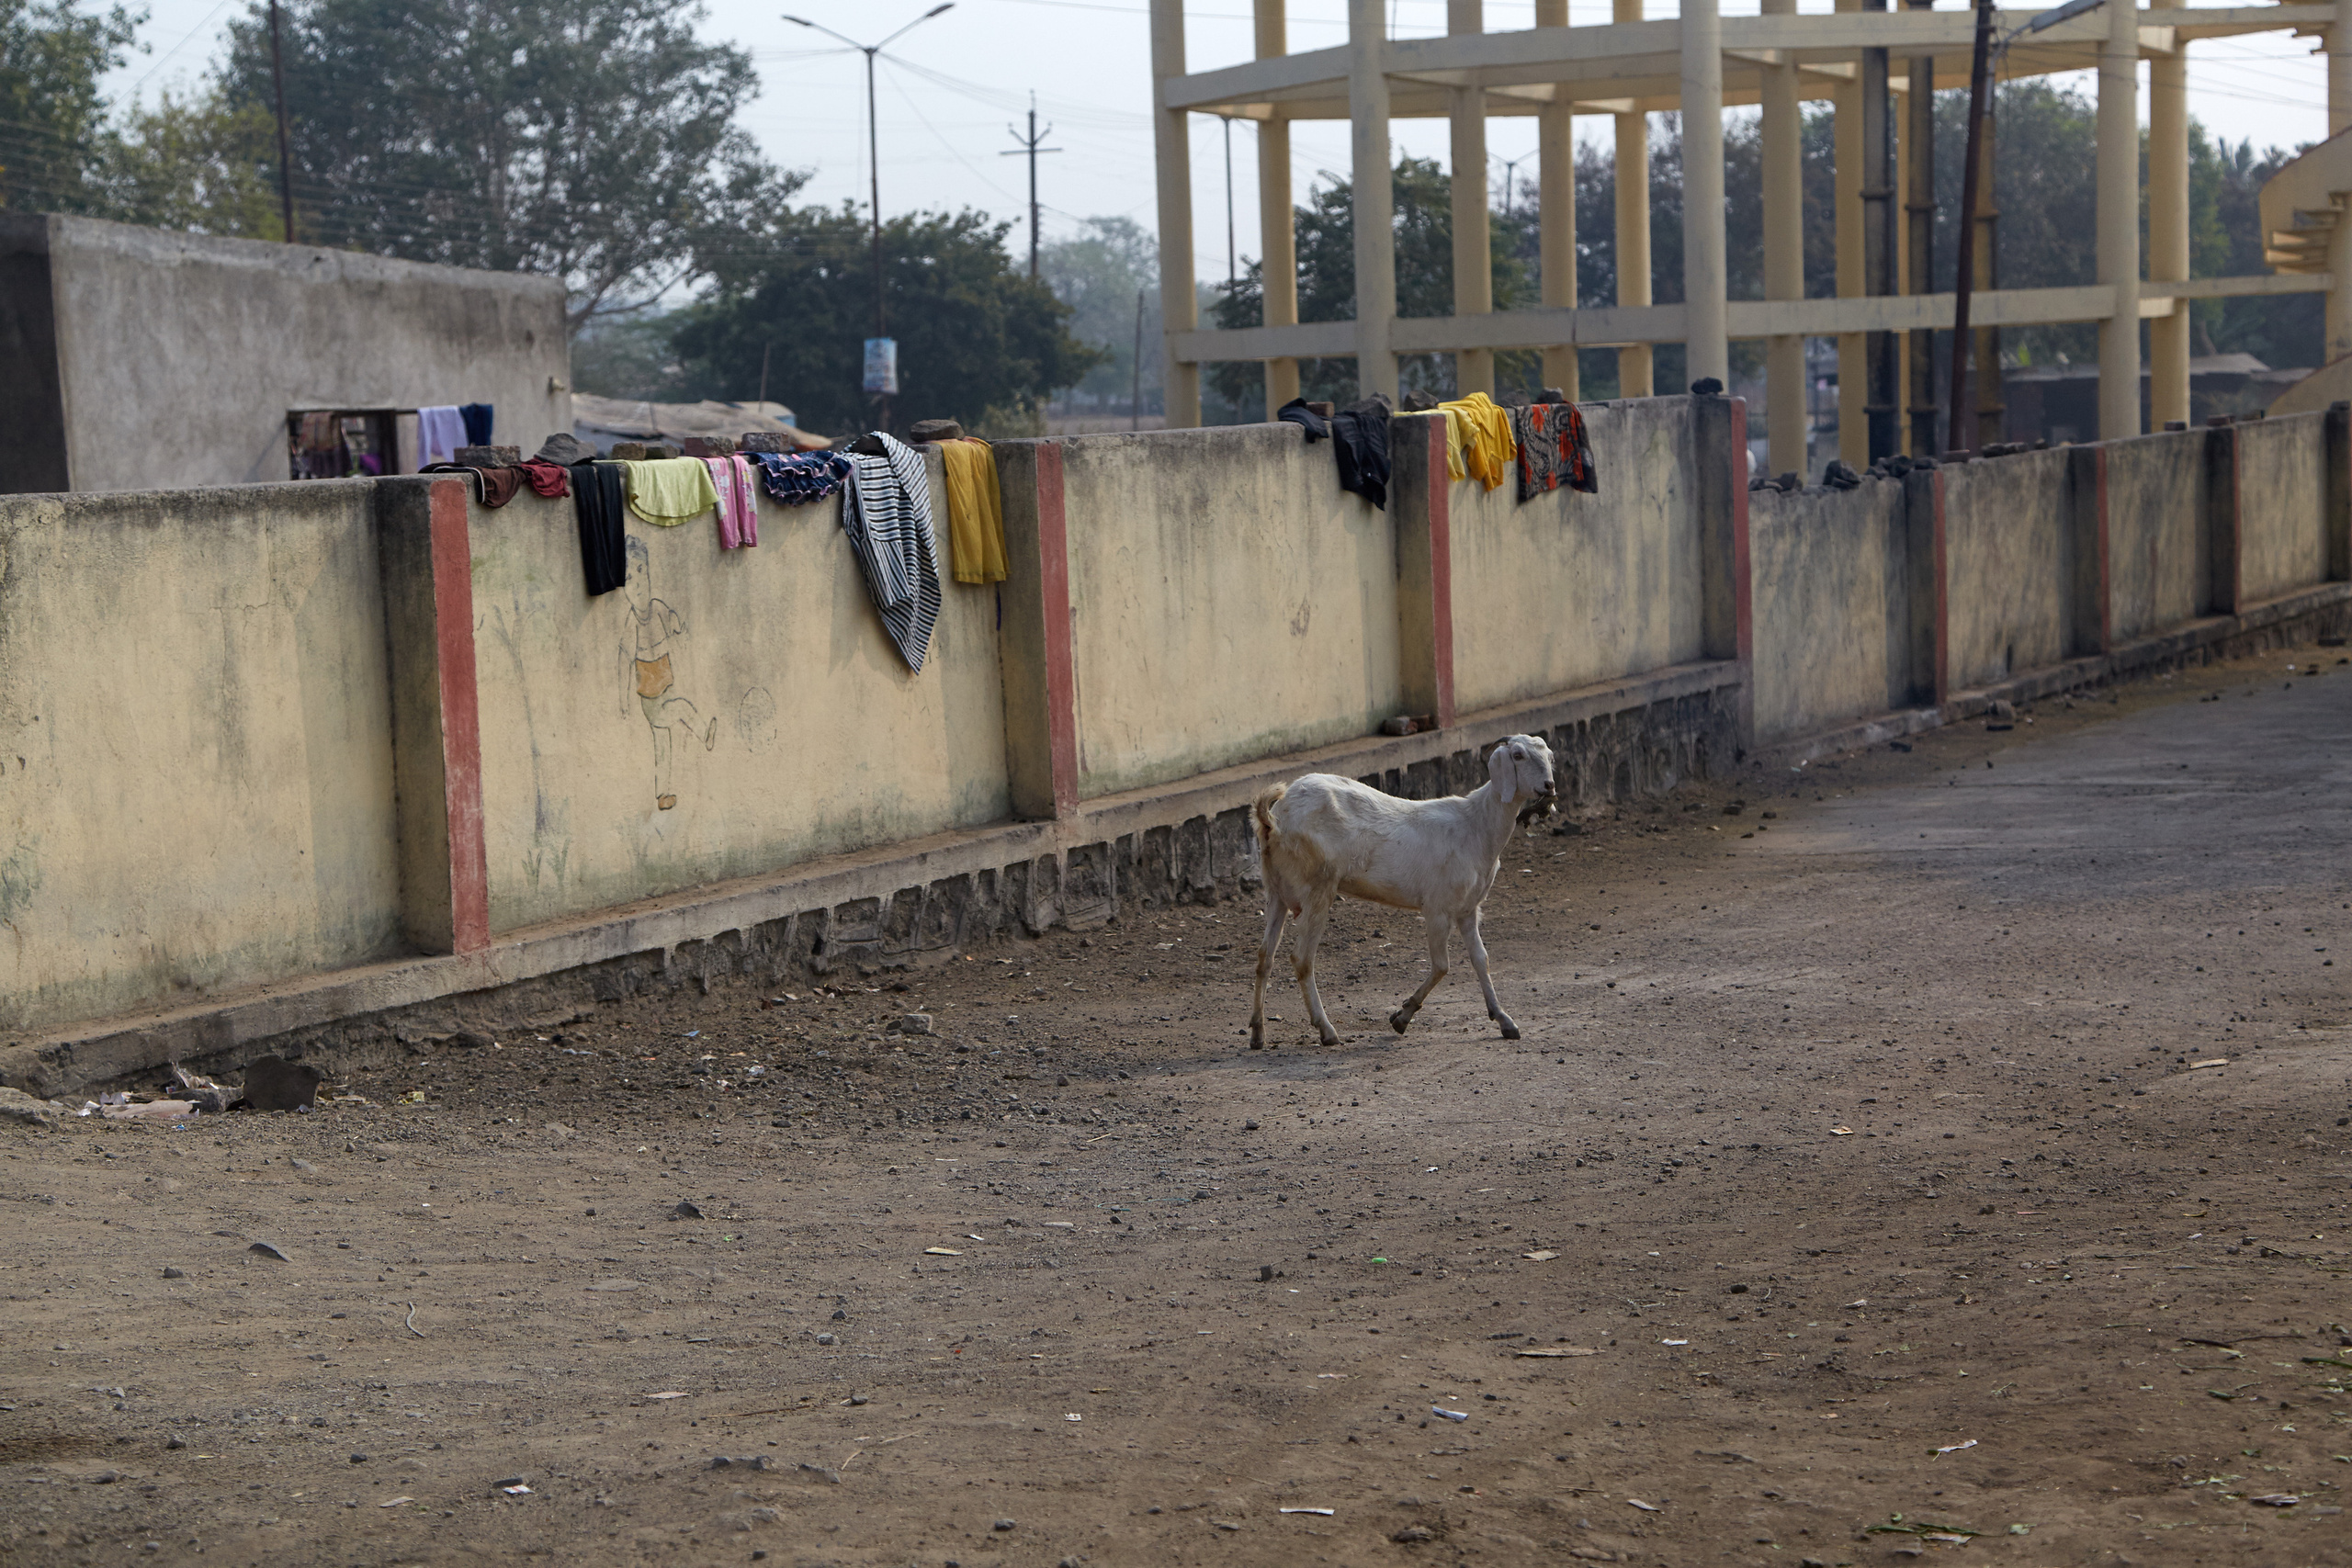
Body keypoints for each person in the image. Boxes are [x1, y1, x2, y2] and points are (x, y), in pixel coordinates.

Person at [620, 536, 716, 810]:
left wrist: (676, 625)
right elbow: (623, 661)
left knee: (663, 745)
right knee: (682, 710)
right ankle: (704, 734)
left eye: (640, 571)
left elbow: (671, 619)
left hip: (666, 683)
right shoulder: (631, 623)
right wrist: (622, 701)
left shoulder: (657, 607)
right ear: (623, 588)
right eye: (628, 578)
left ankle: (663, 795)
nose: (637, 582)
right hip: (651, 698)